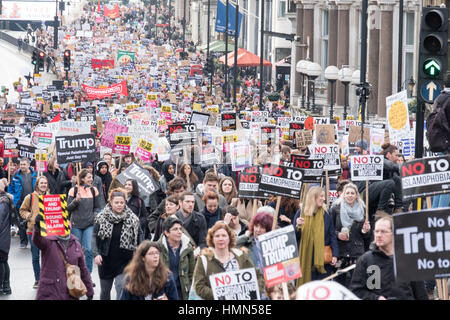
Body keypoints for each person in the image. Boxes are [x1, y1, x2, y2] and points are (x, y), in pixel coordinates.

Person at [349, 213, 428, 300]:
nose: (378, 235)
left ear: (394, 234)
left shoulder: (409, 260)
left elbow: (421, 294)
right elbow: (356, 292)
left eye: (383, 231)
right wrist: (376, 298)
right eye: (376, 231)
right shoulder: (366, 260)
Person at [192, 222, 265, 300]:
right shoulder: (204, 259)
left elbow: (258, 276)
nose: (221, 239)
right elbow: (199, 286)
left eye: (224, 235)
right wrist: (221, 296)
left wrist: (255, 292)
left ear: (229, 238)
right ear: (212, 239)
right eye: (217, 236)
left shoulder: (241, 256)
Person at [93, 188, 143, 300]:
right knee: (105, 292)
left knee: (121, 288)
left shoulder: (133, 218)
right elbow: (94, 236)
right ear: (110, 202)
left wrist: (138, 251)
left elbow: (140, 234)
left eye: (122, 202)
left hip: (125, 260)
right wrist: (96, 254)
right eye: (116, 202)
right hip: (106, 260)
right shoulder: (101, 217)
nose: (119, 205)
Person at [33, 211, 94, 300]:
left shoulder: (76, 244)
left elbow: (83, 270)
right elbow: (37, 240)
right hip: (49, 293)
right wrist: (37, 227)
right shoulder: (48, 241)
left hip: (70, 293)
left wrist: (89, 291)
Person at [293, 186, 339, 286]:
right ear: (313, 197)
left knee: (321, 289)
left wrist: (335, 254)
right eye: (321, 196)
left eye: (323, 196)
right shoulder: (300, 213)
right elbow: (294, 237)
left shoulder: (326, 214)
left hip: (322, 259)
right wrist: (297, 226)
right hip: (305, 258)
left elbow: (332, 235)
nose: (324, 199)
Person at [329, 183, 371, 287]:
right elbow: (329, 230)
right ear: (343, 194)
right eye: (347, 193)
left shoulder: (363, 210)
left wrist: (366, 231)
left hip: (357, 253)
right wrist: (338, 234)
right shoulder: (335, 208)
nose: (350, 195)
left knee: (356, 285)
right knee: (339, 285)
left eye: (352, 193)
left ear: (357, 195)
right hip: (340, 253)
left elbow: (366, 236)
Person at [67, 169, 101, 275]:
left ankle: (88, 275)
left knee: (89, 250)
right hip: (76, 224)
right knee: (76, 251)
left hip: (89, 224)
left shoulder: (94, 190)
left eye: (91, 177)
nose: (91, 179)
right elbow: (68, 208)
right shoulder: (73, 190)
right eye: (89, 177)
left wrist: (94, 217)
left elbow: (97, 207)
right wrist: (76, 201)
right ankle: (76, 275)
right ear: (82, 179)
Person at [19, 176, 49, 289]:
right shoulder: (30, 197)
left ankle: (46, 278)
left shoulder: (50, 197)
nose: (43, 185)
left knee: (47, 257)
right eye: (41, 183)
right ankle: (38, 279)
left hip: (47, 232)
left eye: (45, 183)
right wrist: (29, 216)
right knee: (36, 257)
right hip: (33, 230)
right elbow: (22, 210)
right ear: (37, 184)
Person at [156, 216, 195, 300]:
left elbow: (192, 273)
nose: (179, 232)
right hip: (164, 291)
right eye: (175, 229)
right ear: (166, 233)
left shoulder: (188, 248)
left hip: (183, 291)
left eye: (180, 229)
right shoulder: (157, 248)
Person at [8, 157, 38, 249]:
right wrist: (13, 198)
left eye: (24, 164)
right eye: (21, 164)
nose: (22, 166)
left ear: (29, 165)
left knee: (34, 221)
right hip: (20, 202)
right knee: (21, 223)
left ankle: (34, 241)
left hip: (33, 201)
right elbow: (11, 188)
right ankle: (23, 242)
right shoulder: (15, 176)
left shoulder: (35, 175)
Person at [0, 178, 14, 295]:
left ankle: (3, 286)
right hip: (4, 235)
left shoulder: (3, 200)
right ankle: (6, 286)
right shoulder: (5, 199)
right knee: (3, 261)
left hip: (2, 235)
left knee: (1, 261)